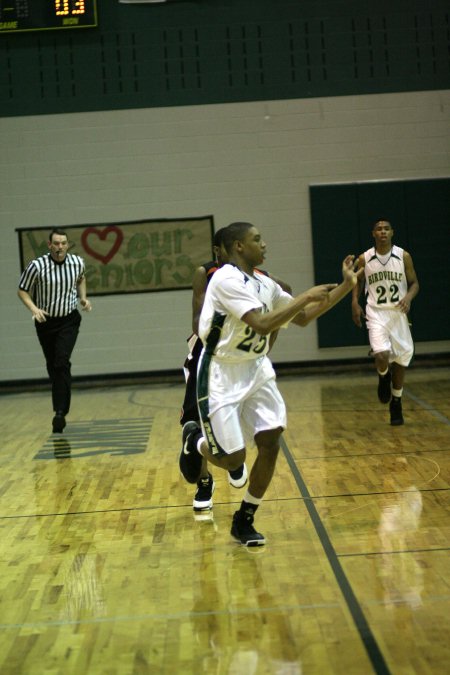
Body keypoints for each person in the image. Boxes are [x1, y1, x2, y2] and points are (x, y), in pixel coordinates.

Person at [179, 221, 361, 546]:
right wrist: (304, 295)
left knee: (271, 441)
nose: (264, 245)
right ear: (238, 246)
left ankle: (244, 517)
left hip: (257, 368)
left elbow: (303, 317)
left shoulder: (265, 282)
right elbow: (262, 324)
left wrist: (346, 285)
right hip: (222, 372)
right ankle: (195, 441)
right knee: (234, 460)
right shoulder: (224, 279)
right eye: (257, 240)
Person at [181, 226, 292, 513]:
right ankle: (205, 479)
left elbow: (285, 302)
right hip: (208, 353)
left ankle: (230, 458)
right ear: (222, 249)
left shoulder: (259, 279)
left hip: (244, 359)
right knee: (195, 418)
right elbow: (197, 318)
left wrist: (264, 344)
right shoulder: (209, 274)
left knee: (256, 441)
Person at [18, 228, 92, 433]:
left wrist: (83, 298)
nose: (60, 247)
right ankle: (60, 403)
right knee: (53, 365)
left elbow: (81, 278)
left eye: (63, 243)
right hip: (45, 322)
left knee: (61, 360)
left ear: (67, 245)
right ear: (49, 245)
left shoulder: (76, 262)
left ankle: (60, 412)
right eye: (56, 243)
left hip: (69, 320)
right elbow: (22, 290)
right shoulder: (37, 266)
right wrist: (34, 308)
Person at [351, 219, 419, 425]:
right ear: (373, 233)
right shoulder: (365, 258)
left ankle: (396, 401)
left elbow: (415, 283)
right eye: (379, 229)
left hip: (398, 313)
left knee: (400, 360)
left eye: (386, 229)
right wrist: (355, 302)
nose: (383, 232)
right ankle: (383, 377)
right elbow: (356, 280)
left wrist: (408, 297)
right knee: (381, 354)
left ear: (392, 233)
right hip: (376, 313)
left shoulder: (403, 256)